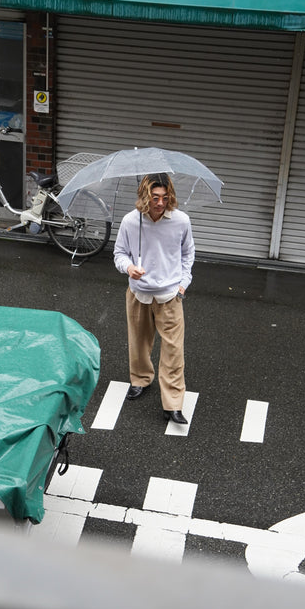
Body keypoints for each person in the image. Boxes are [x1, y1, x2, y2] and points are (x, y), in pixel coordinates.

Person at [114, 173, 195, 424]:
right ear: (144, 196)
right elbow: (119, 253)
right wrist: (129, 268)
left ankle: (172, 404)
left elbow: (187, 254)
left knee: (173, 351)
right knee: (138, 343)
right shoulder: (130, 221)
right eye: (154, 197)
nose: (160, 203)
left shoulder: (181, 221)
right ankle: (140, 379)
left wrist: (182, 285)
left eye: (164, 197)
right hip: (139, 293)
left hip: (170, 296)